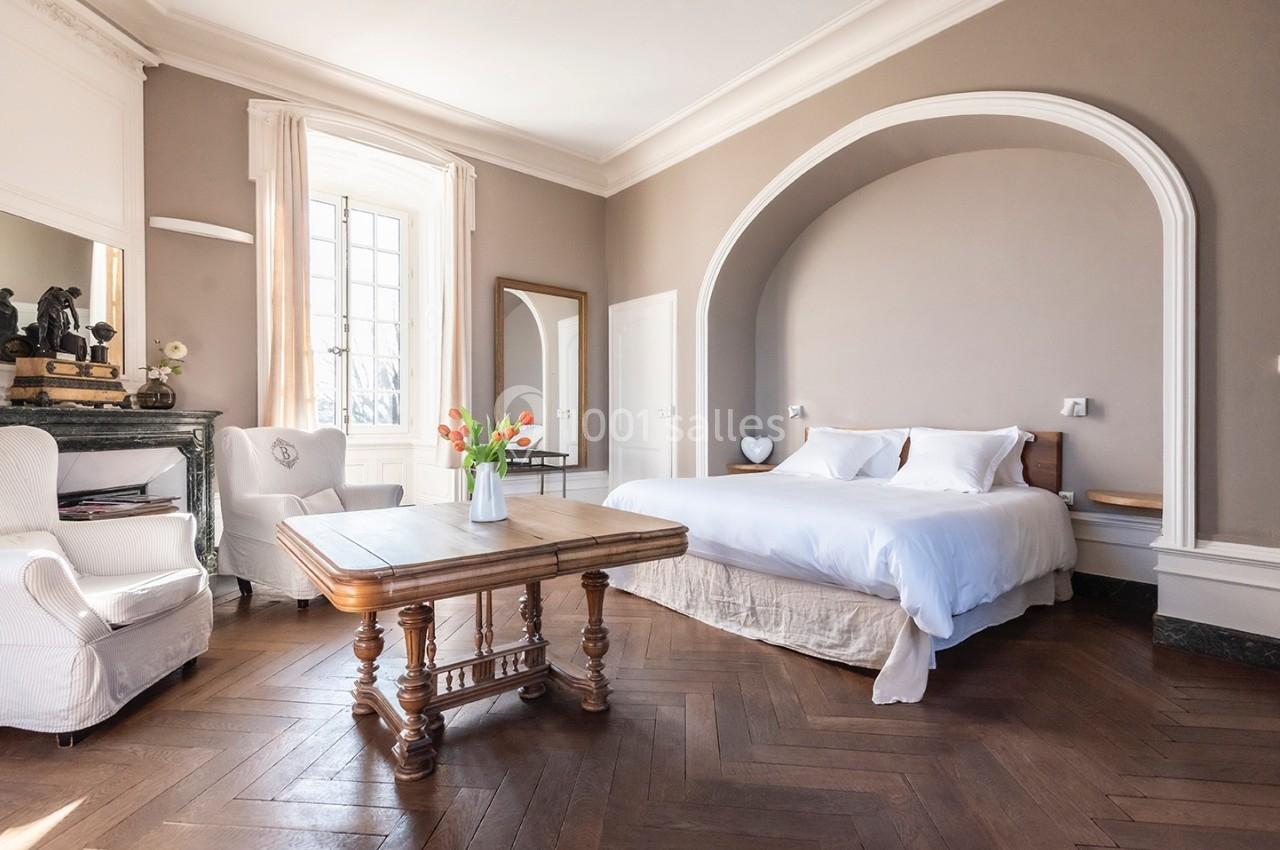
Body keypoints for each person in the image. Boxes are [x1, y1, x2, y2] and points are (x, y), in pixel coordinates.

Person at [35, 285, 81, 355]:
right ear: (74, 293)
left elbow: (58, 305)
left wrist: (65, 306)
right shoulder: (68, 296)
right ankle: (55, 347)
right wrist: (76, 322)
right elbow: (73, 311)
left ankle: (43, 346)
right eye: (77, 295)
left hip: (43, 308)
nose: (76, 297)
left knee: (44, 328)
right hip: (52, 309)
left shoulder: (55, 292)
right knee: (58, 327)